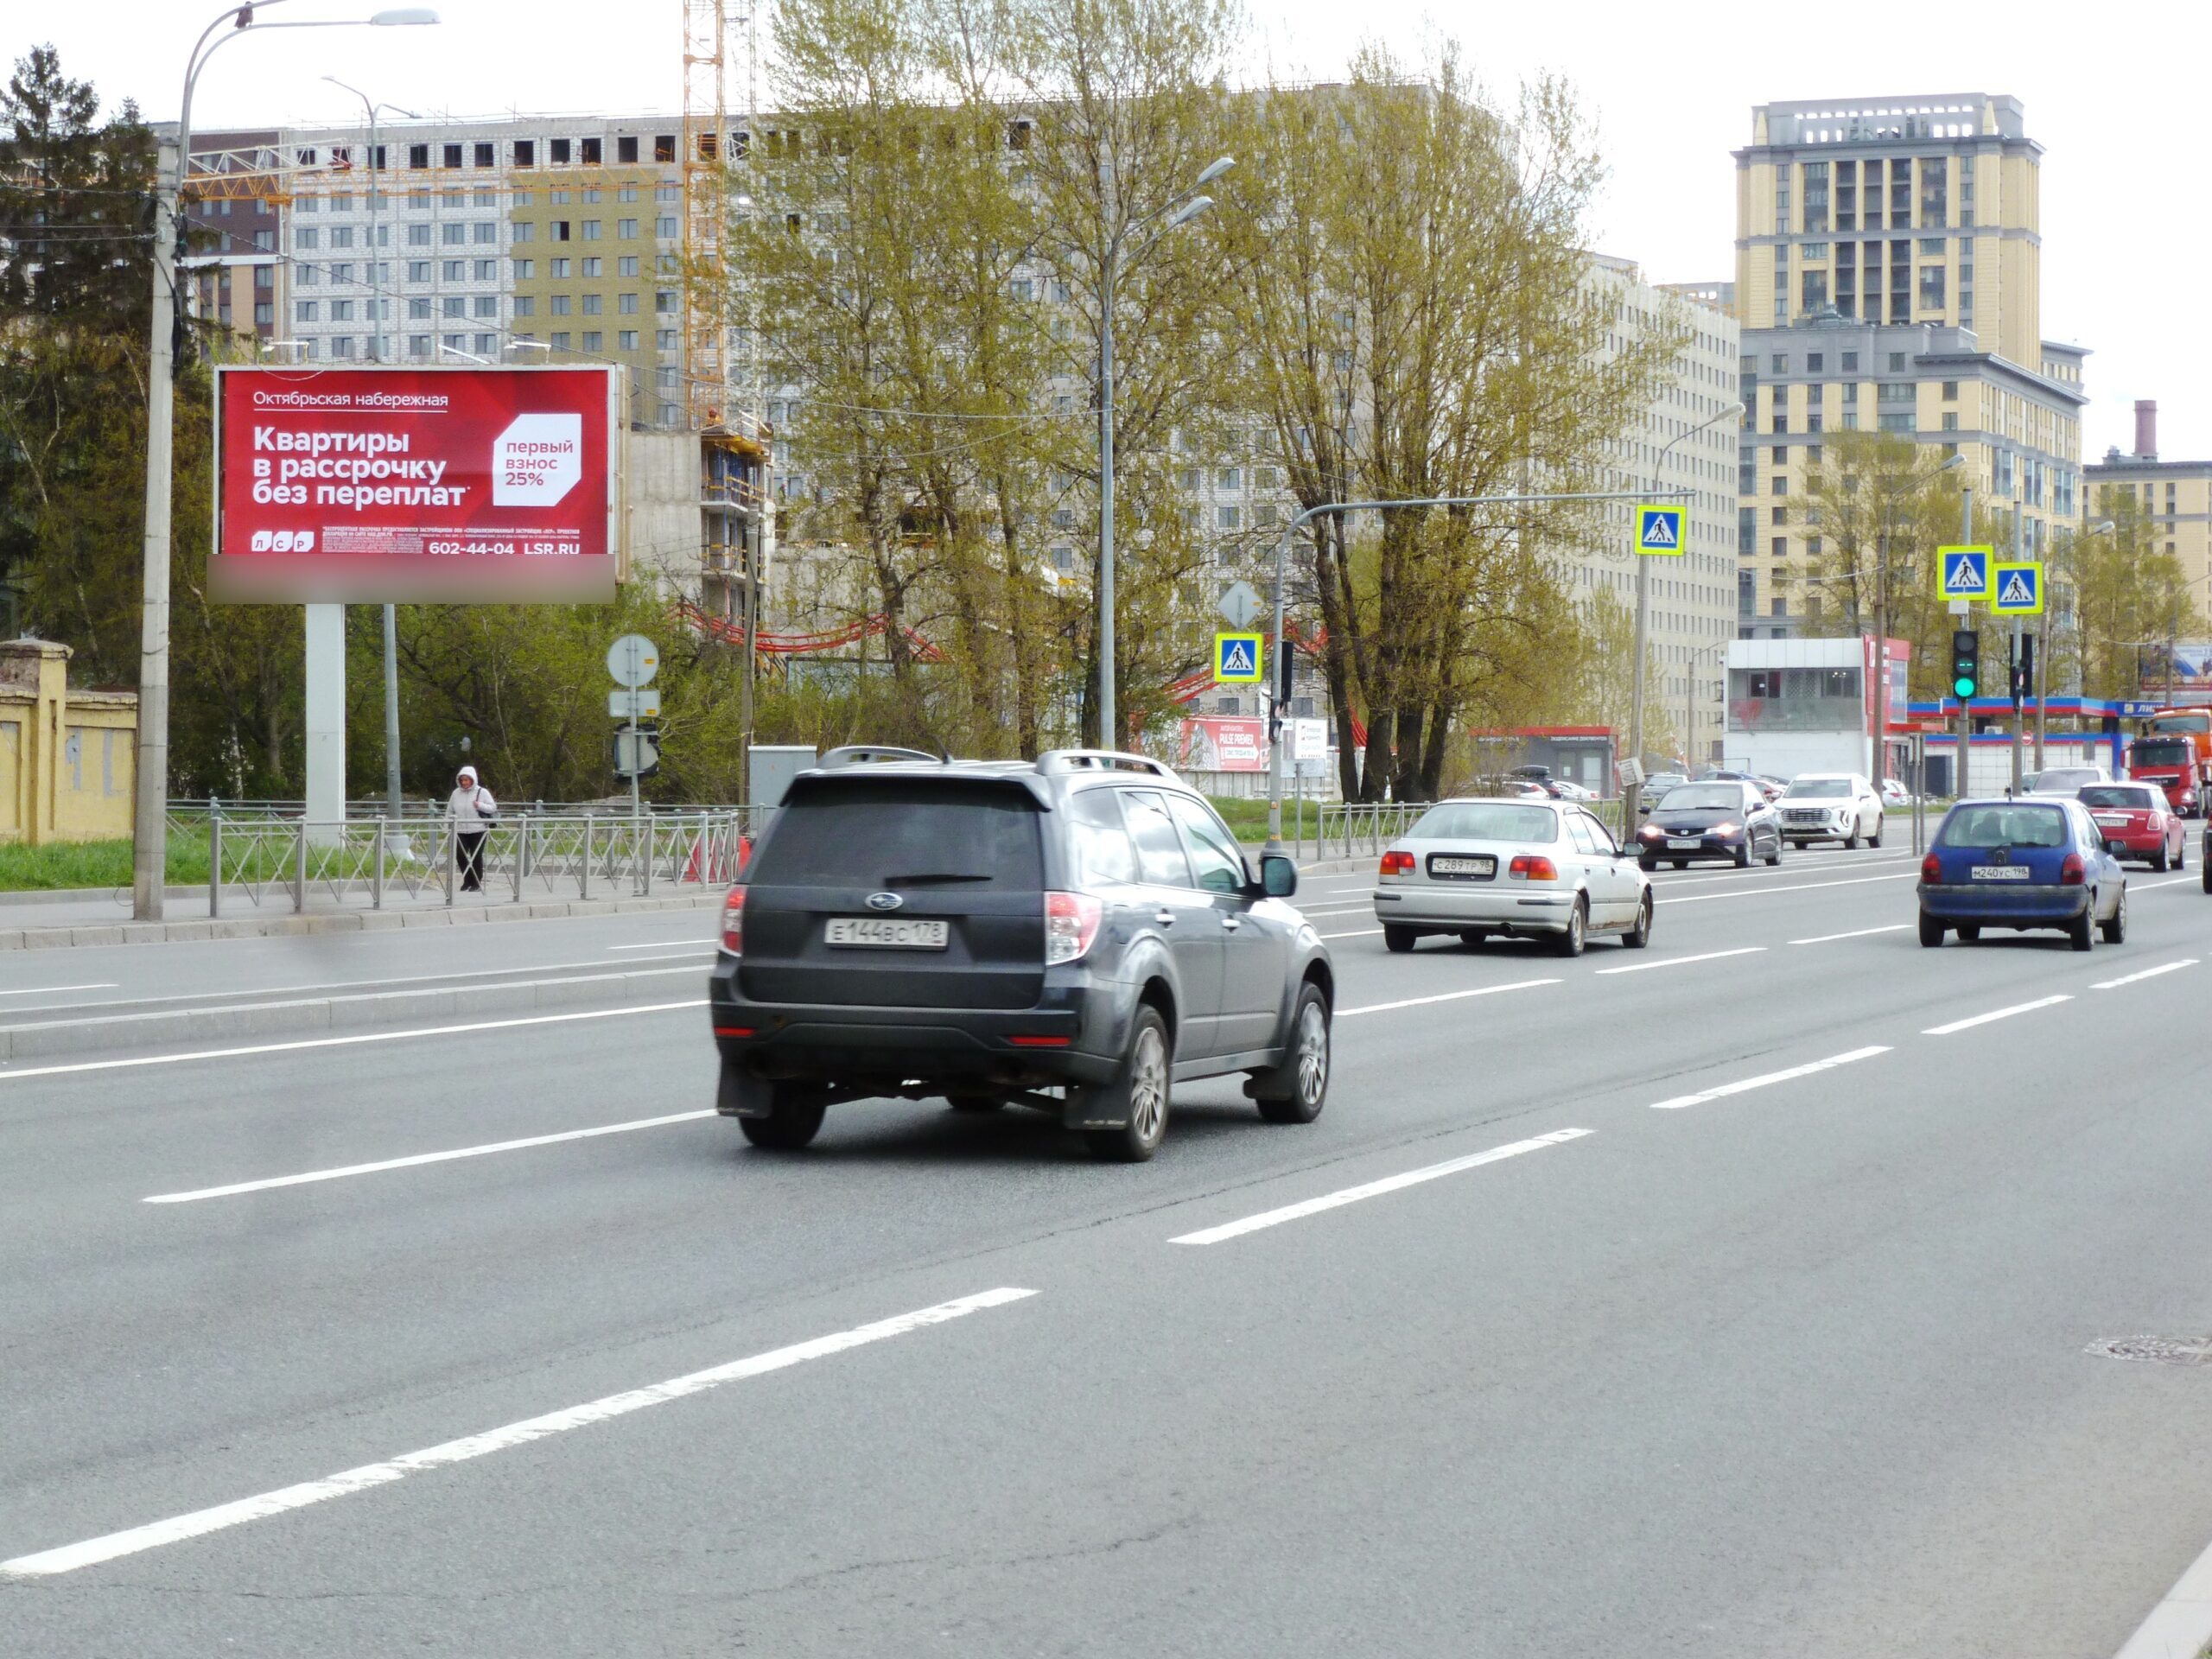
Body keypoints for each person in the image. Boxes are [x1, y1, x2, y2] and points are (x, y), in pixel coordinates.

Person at [447, 765, 498, 892]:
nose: (464, 783)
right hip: (460, 830)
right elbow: (449, 810)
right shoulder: (456, 793)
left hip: (478, 830)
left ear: (472, 779)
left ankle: (477, 882)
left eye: (467, 780)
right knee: (460, 855)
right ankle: (467, 880)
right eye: (462, 780)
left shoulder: (482, 792)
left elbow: (492, 807)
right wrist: (446, 827)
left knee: (476, 856)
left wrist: (479, 805)